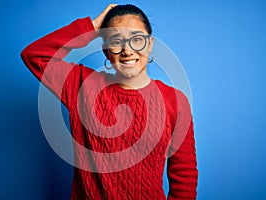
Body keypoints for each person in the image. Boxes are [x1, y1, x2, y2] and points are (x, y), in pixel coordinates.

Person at [21, 4, 198, 200]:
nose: (127, 50)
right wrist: (92, 27)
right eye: (116, 41)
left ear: (150, 44)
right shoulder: (82, 85)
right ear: (106, 51)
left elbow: (185, 177)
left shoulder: (175, 101)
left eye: (137, 39)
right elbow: (34, 55)